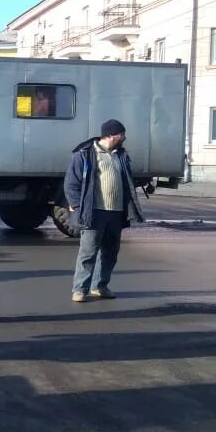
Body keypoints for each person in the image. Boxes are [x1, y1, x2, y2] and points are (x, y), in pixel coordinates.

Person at [65, 118, 145, 303]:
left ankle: (99, 286)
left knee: (110, 251)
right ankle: (79, 289)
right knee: (88, 252)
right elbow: (71, 182)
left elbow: (127, 182)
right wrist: (76, 204)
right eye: (121, 134)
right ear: (110, 135)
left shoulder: (121, 155)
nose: (124, 137)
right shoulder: (85, 154)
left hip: (115, 212)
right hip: (94, 211)